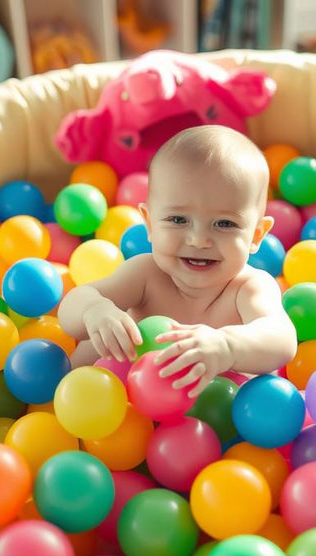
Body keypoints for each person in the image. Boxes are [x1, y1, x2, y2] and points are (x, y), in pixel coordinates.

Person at [58, 125, 297, 396]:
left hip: (216, 419)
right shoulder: (145, 273)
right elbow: (73, 304)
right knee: (96, 342)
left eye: (224, 223)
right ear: (149, 224)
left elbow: (282, 339)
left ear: (255, 236)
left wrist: (226, 346)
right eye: (178, 220)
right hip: (116, 407)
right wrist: (94, 311)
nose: (198, 239)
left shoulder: (249, 287)